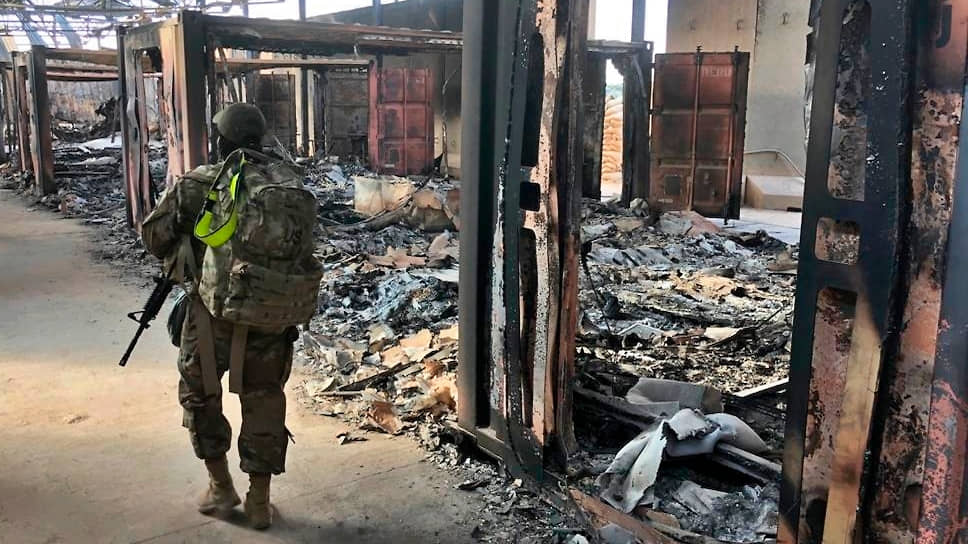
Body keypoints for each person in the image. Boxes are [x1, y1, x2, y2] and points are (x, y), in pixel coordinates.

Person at [141, 103, 297, 530]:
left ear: (221, 142)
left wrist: (190, 246)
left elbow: (154, 236)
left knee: (200, 394)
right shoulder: (286, 184)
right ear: (259, 139)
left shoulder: (200, 185)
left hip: (213, 315)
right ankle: (259, 502)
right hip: (271, 316)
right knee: (264, 399)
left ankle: (221, 486)